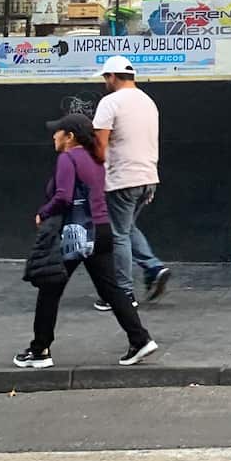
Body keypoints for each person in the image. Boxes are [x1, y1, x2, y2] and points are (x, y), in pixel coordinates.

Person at [16, 114, 158, 369]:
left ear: (69, 137)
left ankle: (40, 351)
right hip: (101, 230)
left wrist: (43, 212)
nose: (53, 136)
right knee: (111, 289)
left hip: (76, 234)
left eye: (57, 132)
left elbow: (63, 196)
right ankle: (140, 338)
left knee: (50, 289)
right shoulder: (95, 159)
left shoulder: (68, 158)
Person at [92, 55, 170, 307]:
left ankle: (123, 293)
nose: (105, 82)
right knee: (127, 228)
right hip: (147, 176)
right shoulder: (148, 102)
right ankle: (152, 267)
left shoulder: (110, 102)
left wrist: (92, 172)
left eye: (106, 77)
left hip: (122, 178)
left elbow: (100, 146)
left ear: (112, 76)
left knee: (118, 235)